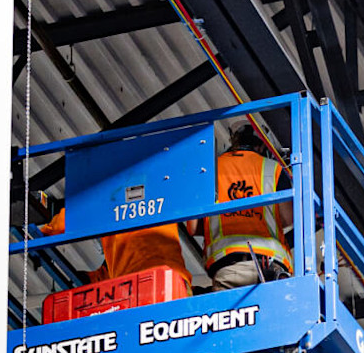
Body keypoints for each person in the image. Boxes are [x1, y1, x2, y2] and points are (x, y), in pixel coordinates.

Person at [194, 123, 294, 290]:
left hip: (226, 266)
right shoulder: (273, 168)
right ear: (262, 144)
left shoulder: (209, 171)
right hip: (268, 263)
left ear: (233, 140)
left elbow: (193, 227)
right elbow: (288, 218)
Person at [40, 203, 189, 286]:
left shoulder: (109, 195)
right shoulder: (163, 191)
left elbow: (71, 218)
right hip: (175, 280)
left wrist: (43, 233)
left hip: (138, 283)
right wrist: (88, 278)